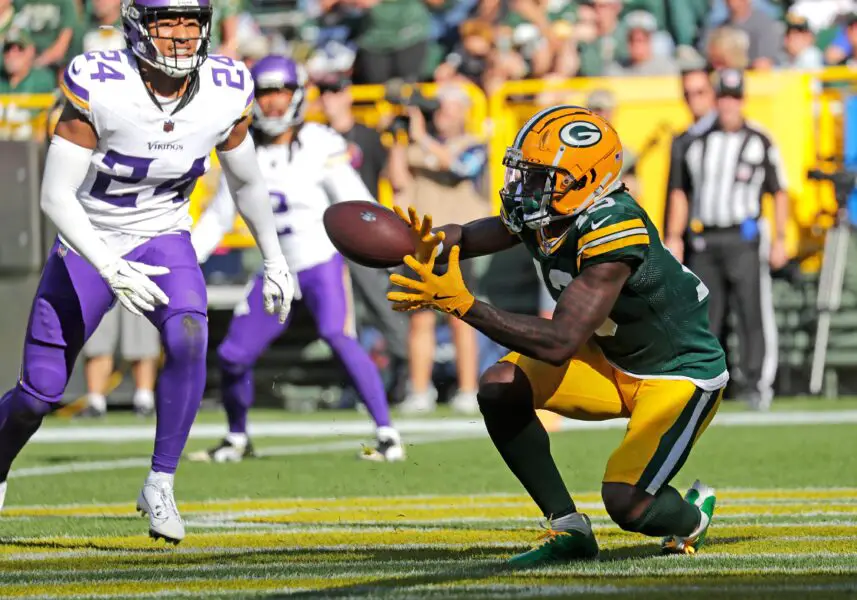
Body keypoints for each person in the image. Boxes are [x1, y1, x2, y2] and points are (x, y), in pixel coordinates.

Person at [0, 0, 294, 544]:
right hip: (89, 237)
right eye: (167, 21)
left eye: (192, 22)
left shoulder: (225, 87)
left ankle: (160, 481)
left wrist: (275, 258)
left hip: (162, 234)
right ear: (139, 25)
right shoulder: (102, 83)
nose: (182, 35)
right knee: (39, 395)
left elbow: (247, 182)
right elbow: (54, 195)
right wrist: (109, 266)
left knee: (190, 333)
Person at [388, 105, 727, 563]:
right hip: (610, 360)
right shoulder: (552, 211)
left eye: (539, 177)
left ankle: (692, 519)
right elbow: (480, 233)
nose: (523, 188)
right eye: (523, 174)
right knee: (500, 387)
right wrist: (427, 243)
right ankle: (567, 526)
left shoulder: (614, 228)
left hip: (676, 374)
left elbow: (560, 341)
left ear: (584, 181)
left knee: (628, 501)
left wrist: (462, 305)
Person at [189, 55, 404, 463]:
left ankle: (387, 432)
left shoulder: (322, 143)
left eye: (281, 91)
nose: (273, 102)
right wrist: (186, 261)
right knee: (233, 354)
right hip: (276, 268)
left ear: (297, 95)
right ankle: (237, 439)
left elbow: (359, 203)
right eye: (266, 92)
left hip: (321, 260)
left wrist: (390, 247)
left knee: (339, 336)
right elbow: (218, 217)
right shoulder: (241, 148)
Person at [666, 69, 788, 412]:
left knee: (752, 313)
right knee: (706, 315)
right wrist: (675, 235)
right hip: (706, 238)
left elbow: (779, 192)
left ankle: (756, 383)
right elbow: (681, 191)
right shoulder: (697, 141)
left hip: (744, 236)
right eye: (723, 97)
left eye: (734, 97)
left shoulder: (759, 140)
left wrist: (779, 238)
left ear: (743, 100)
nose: (728, 104)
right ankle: (706, 384)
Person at [394, 84, 489, 415]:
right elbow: (396, 180)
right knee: (419, 319)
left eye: (448, 109)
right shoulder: (417, 145)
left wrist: (420, 138)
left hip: (458, 244)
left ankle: (468, 389)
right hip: (421, 241)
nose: (442, 115)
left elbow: (462, 167)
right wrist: (399, 138)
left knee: (461, 317)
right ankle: (420, 390)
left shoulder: (475, 144)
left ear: (463, 111)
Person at [317, 74, 410, 403]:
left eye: (334, 89)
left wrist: (396, 138)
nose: (328, 97)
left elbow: (397, 180)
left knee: (383, 307)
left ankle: (403, 375)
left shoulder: (368, 136)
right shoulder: (314, 138)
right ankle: (353, 384)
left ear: (347, 94)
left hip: (364, 237)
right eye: (323, 91)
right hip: (323, 239)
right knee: (341, 316)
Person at [79, 303, 160, 418]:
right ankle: (95, 402)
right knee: (98, 335)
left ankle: (144, 400)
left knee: (141, 332)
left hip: (138, 285)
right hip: (104, 284)